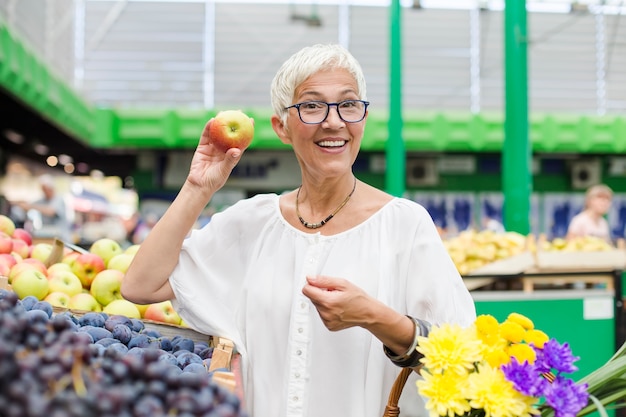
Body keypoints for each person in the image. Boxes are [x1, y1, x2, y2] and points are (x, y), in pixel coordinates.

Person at [121, 43, 476, 417]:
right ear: (282, 127)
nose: (334, 121)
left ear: (363, 119)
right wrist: (198, 188)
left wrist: (374, 316)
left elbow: (463, 358)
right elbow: (140, 286)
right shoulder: (253, 222)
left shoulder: (404, 224)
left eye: (348, 104)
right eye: (311, 106)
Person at [14, 174, 71, 242]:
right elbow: (29, 205)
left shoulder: (58, 199)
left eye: (46, 189)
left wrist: (30, 207)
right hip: (48, 238)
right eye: (43, 189)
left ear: (51, 188)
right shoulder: (42, 200)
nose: (44, 192)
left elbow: (51, 211)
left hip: (62, 239)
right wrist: (22, 204)